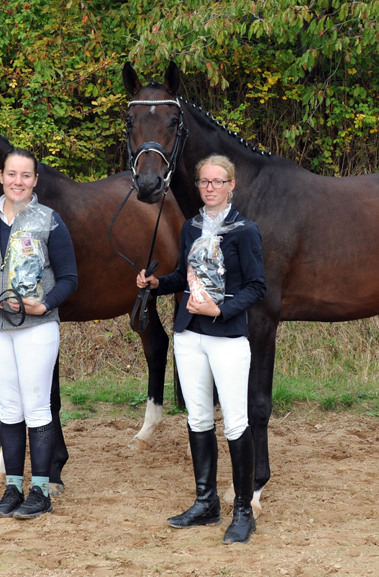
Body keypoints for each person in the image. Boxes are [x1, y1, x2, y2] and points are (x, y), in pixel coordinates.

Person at [136, 154, 266, 544]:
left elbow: (257, 287)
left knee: (236, 423)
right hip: (190, 334)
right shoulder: (191, 227)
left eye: (217, 181)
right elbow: (184, 275)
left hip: (227, 337)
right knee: (197, 419)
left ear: (231, 186)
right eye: (204, 182)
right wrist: (158, 284)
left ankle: (243, 510)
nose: (210, 188)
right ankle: (206, 502)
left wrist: (221, 308)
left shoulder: (245, 231)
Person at [0, 147, 77, 519]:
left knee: (37, 407)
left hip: (36, 327)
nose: (18, 182)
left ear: (35, 181)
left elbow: (70, 277)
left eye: (26, 176)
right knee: (9, 409)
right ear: (1, 176)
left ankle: (40, 490)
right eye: (12, 174)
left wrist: (45, 304)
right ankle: (13, 487)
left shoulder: (49, 221)